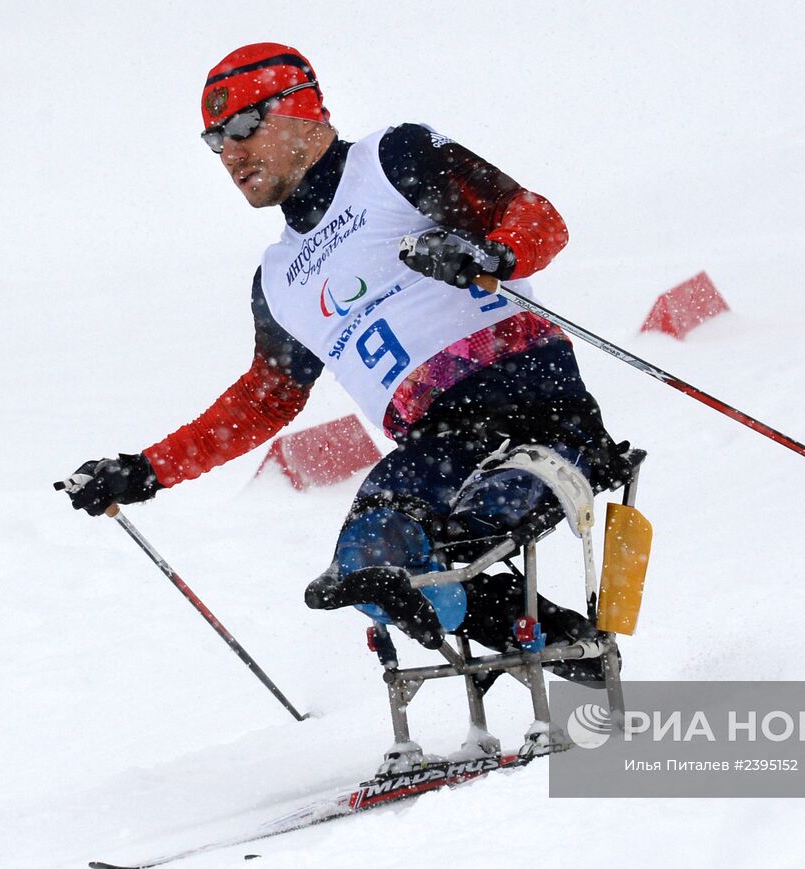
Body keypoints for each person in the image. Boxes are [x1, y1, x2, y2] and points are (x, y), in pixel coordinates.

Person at [61, 43, 624, 674]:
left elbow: (535, 218)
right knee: (367, 560)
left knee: (469, 531)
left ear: (304, 111)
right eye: (214, 140)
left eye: (245, 127)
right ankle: (568, 646)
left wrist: (494, 256)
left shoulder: (392, 160)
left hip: (538, 412)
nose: (231, 153)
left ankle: (560, 629)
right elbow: (266, 398)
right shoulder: (278, 279)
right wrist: (145, 470)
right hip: (435, 445)